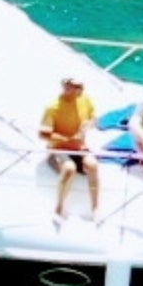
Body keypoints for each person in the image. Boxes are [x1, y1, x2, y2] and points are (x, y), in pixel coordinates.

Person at [40, 75, 99, 222]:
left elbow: (93, 117)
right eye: (74, 86)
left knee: (92, 165)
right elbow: (43, 134)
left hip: (79, 148)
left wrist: (89, 124)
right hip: (58, 148)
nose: (78, 89)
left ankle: (96, 208)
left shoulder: (85, 100)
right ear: (65, 86)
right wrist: (67, 139)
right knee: (69, 168)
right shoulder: (53, 107)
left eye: (80, 87)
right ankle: (58, 208)